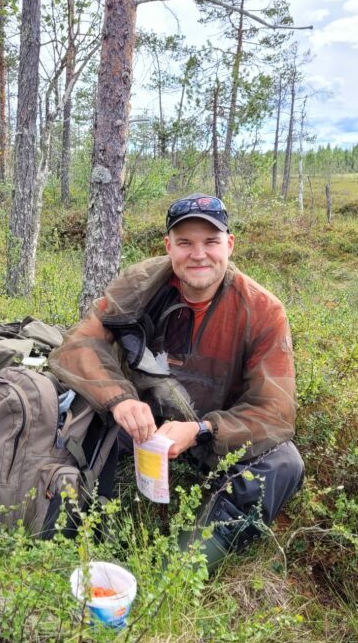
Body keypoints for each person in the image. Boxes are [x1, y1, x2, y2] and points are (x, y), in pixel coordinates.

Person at [49, 194, 304, 571]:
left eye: (211, 242)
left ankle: (178, 568)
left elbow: (275, 412)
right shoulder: (141, 283)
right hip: (143, 425)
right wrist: (119, 399)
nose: (198, 254)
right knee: (70, 418)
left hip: (215, 434)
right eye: (185, 243)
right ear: (168, 246)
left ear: (229, 245)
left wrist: (201, 430)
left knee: (285, 463)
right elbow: (80, 343)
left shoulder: (263, 310)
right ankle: (65, 531)